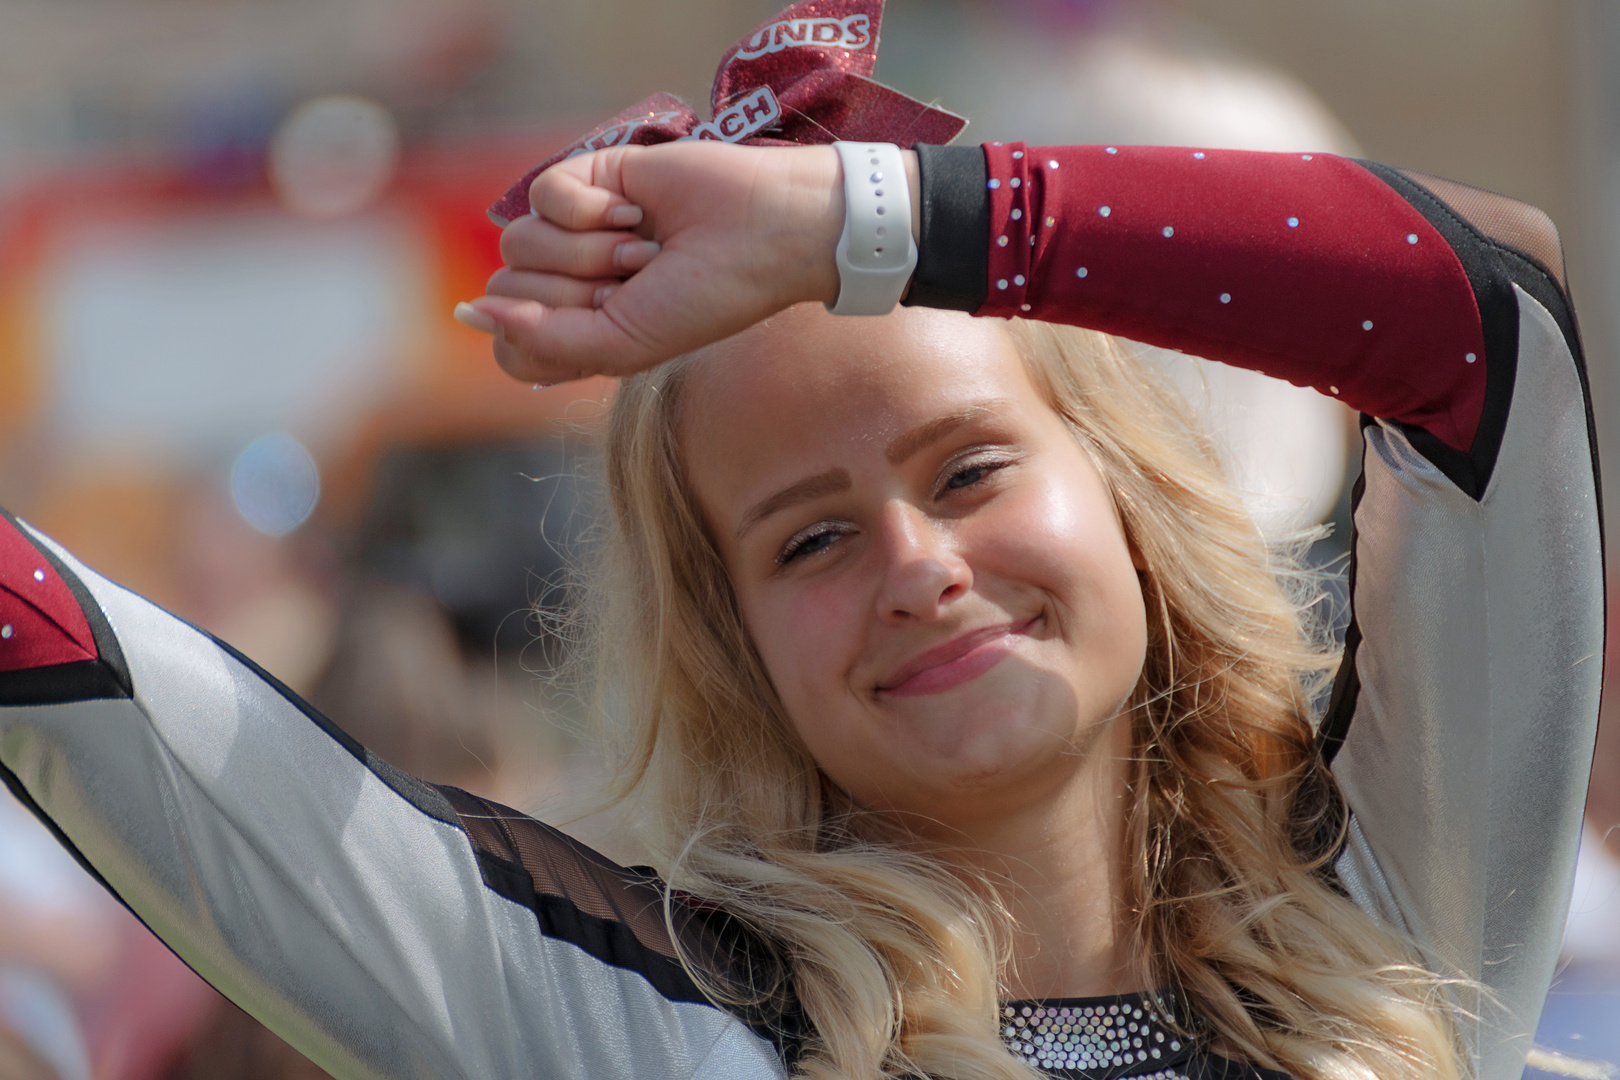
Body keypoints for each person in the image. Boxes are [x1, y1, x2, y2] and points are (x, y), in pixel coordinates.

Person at [1, 3, 1601, 1079]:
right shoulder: (648, 1021)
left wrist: (866, 220)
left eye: (970, 468)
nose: (915, 563)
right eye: (809, 540)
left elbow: (1486, 313)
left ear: (1127, 491)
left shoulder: (1408, 906)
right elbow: (73, 670)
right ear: (735, 643)